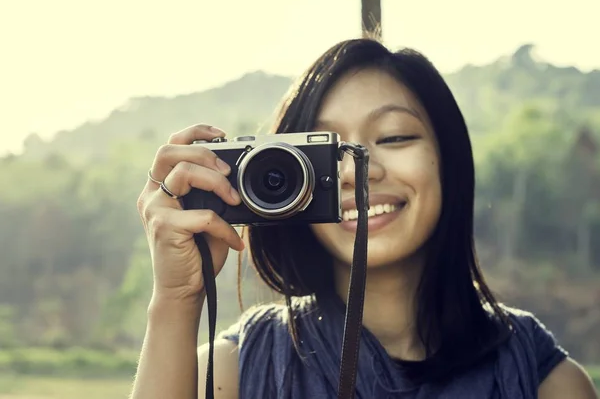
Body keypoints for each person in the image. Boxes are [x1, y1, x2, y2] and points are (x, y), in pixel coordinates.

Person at [130, 39, 598, 399]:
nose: (359, 170)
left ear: (450, 162)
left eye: (393, 137)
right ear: (285, 186)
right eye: (326, 151)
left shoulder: (540, 380)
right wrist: (177, 299)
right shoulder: (240, 371)